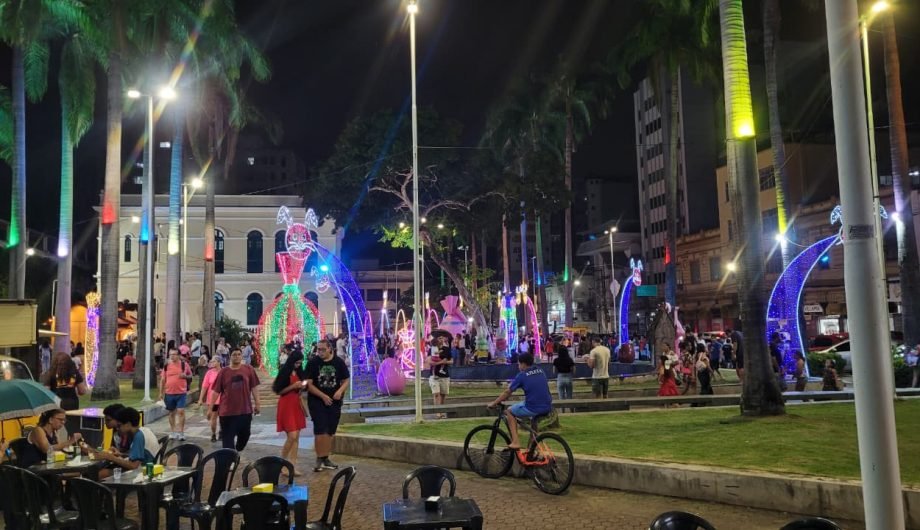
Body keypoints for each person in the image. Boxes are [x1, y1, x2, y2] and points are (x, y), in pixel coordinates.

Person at [487, 353, 552, 450]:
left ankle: (515, 442)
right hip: (547, 406)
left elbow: (507, 392)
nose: (518, 366)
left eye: (519, 364)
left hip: (533, 407)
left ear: (523, 364)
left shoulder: (522, 375)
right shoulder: (540, 370)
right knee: (533, 421)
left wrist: (494, 403)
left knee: (509, 411)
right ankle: (532, 449)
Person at [305, 339, 349, 472]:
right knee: (320, 429)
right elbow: (309, 384)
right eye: (318, 349)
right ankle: (319, 458)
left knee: (330, 430)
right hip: (317, 401)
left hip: (334, 402)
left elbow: (346, 379)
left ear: (330, 348)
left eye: (323, 349)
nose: (320, 352)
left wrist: (340, 391)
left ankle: (325, 457)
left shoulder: (338, 362)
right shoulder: (313, 363)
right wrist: (322, 396)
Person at [212, 348, 261, 451]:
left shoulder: (249, 369)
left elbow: (254, 387)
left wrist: (257, 403)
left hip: (245, 411)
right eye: (234, 354)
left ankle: (237, 451)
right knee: (227, 442)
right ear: (230, 356)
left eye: (239, 354)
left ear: (242, 356)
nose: (237, 356)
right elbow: (216, 391)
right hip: (227, 413)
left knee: (245, 435)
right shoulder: (223, 372)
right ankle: (230, 458)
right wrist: (210, 408)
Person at [273, 346, 309, 474]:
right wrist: (293, 386)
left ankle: (292, 465)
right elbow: (279, 391)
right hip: (286, 404)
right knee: (292, 436)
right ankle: (281, 462)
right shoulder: (285, 372)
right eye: (296, 363)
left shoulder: (299, 372)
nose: (298, 365)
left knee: (296, 437)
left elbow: (303, 388)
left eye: (300, 363)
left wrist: (302, 387)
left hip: (296, 404)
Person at [91, 407, 157, 471]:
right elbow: (138, 456)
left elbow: (134, 466)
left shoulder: (139, 436)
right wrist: (121, 454)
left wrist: (111, 457)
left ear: (128, 424)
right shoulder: (141, 431)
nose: (117, 428)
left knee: (102, 473)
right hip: (146, 466)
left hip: (146, 470)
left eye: (119, 426)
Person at [18, 409, 83, 468]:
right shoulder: (38, 430)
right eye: (60, 419)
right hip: (32, 468)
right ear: (50, 420)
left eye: (64, 420)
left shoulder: (55, 433)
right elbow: (47, 449)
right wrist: (69, 441)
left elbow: (57, 451)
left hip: (47, 467)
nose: (63, 422)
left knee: (77, 470)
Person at [158, 348, 193, 441]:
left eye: (174, 354)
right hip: (169, 393)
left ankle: (181, 432)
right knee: (171, 413)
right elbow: (162, 380)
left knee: (181, 411)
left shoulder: (184, 365)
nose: (172, 356)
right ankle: (173, 431)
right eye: (170, 354)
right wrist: (160, 393)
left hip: (181, 393)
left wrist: (185, 376)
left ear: (179, 355)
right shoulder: (166, 366)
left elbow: (191, 375)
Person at [198, 357, 223, 442]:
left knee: (223, 417)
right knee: (213, 417)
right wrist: (200, 399)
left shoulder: (224, 372)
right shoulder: (209, 373)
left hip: (223, 399)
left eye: (214, 361)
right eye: (211, 361)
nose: (212, 363)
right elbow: (204, 387)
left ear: (219, 362)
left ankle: (221, 431)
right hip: (213, 400)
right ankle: (213, 434)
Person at [430, 337, 453, 418]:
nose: (441, 340)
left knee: (443, 395)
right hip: (434, 375)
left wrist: (445, 362)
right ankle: (437, 412)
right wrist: (441, 362)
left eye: (442, 338)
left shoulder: (447, 349)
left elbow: (451, 361)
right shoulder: (432, 348)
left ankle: (441, 411)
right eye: (439, 338)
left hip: (444, 375)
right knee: (436, 394)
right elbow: (430, 361)